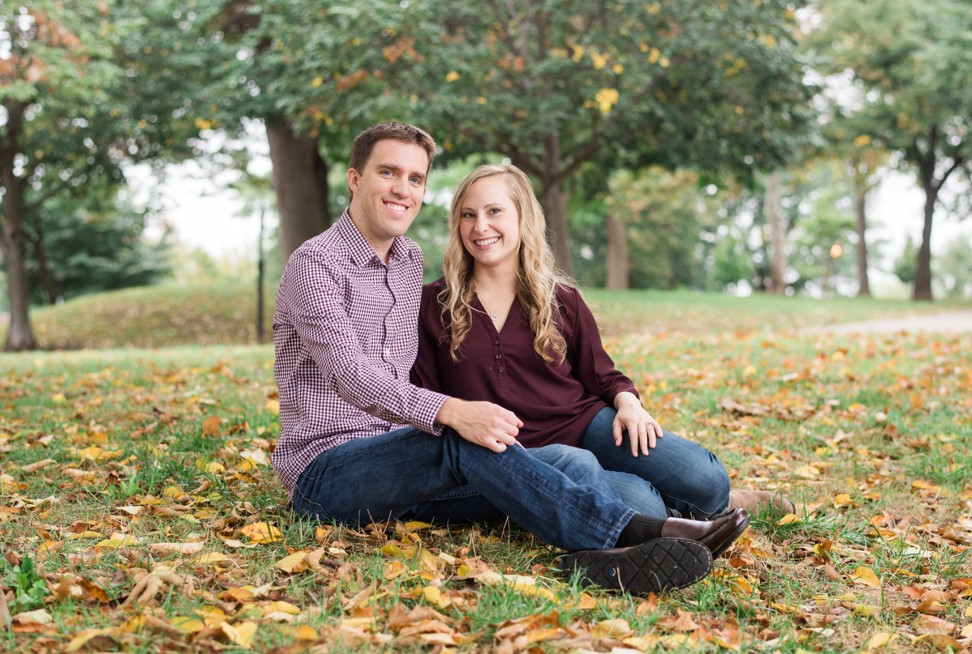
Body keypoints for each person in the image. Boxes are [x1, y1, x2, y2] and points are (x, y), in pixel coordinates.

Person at [271, 122, 749, 595]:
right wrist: (454, 412)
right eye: (388, 172)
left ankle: (607, 562)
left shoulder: (406, 260)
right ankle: (637, 533)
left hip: (409, 469)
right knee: (461, 438)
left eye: (416, 179)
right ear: (355, 179)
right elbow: (351, 375)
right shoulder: (315, 266)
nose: (403, 189)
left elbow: (597, 371)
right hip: (328, 473)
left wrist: (625, 398)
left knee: (571, 460)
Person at [412, 163, 792, 527]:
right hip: (515, 455)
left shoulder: (561, 299)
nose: (481, 227)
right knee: (644, 506)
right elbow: (423, 397)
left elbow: (603, 375)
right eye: (468, 215)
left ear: (522, 217)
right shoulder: (432, 304)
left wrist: (629, 405)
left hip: (583, 424)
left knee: (705, 477)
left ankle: (722, 502)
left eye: (494, 211)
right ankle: (675, 510)